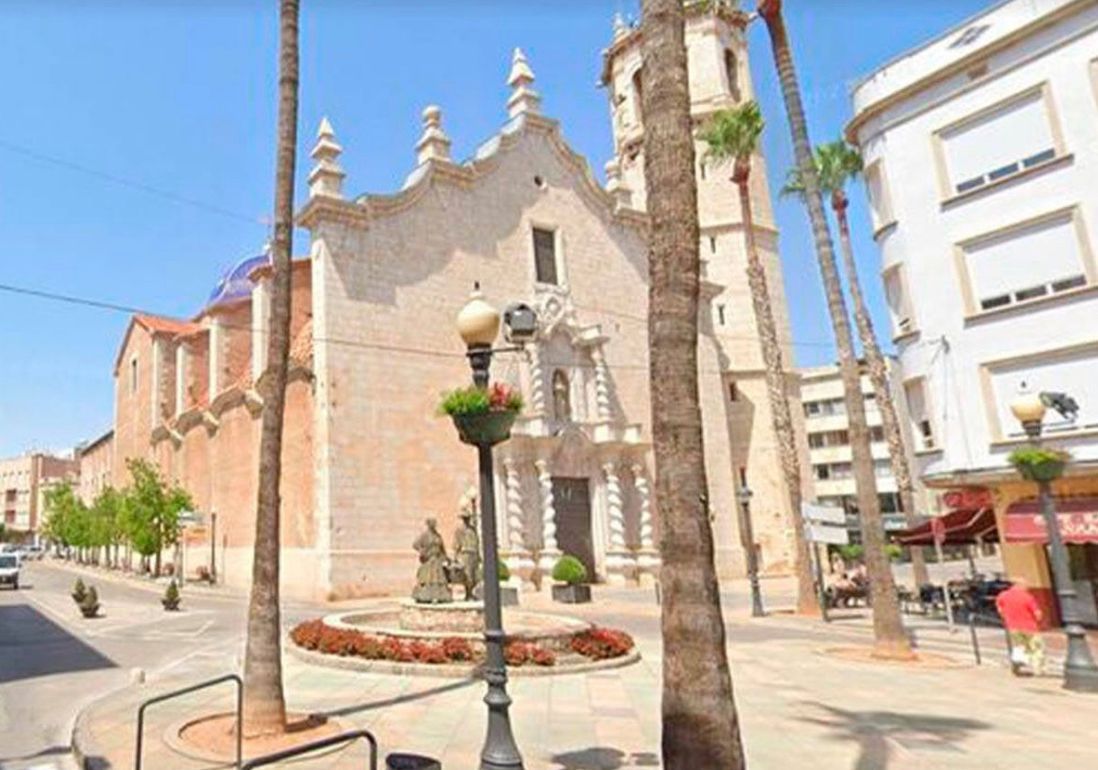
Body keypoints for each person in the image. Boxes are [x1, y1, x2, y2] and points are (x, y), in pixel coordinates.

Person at [995, 577, 1045, 676]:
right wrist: (1039, 620)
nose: (1027, 587)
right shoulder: (1027, 597)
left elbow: (1000, 609)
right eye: (1025, 585)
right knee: (1036, 648)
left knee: (1019, 647)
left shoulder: (1003, 595)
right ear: (1019, 585)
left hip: (1013, 626)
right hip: (1030, 627)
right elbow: (1037, 613)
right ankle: (1038, 669)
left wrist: (1006, 617)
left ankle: (1017, 666)